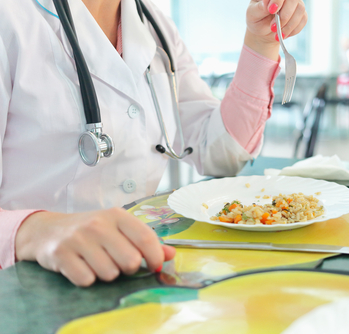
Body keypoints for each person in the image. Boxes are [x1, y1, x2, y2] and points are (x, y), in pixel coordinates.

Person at [0, 0, 307, 286]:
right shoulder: (11, 17)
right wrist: (31, 231)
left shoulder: (153, 25)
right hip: (25, 289)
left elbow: (220, 151)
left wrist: (261, 41)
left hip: (137, 275)